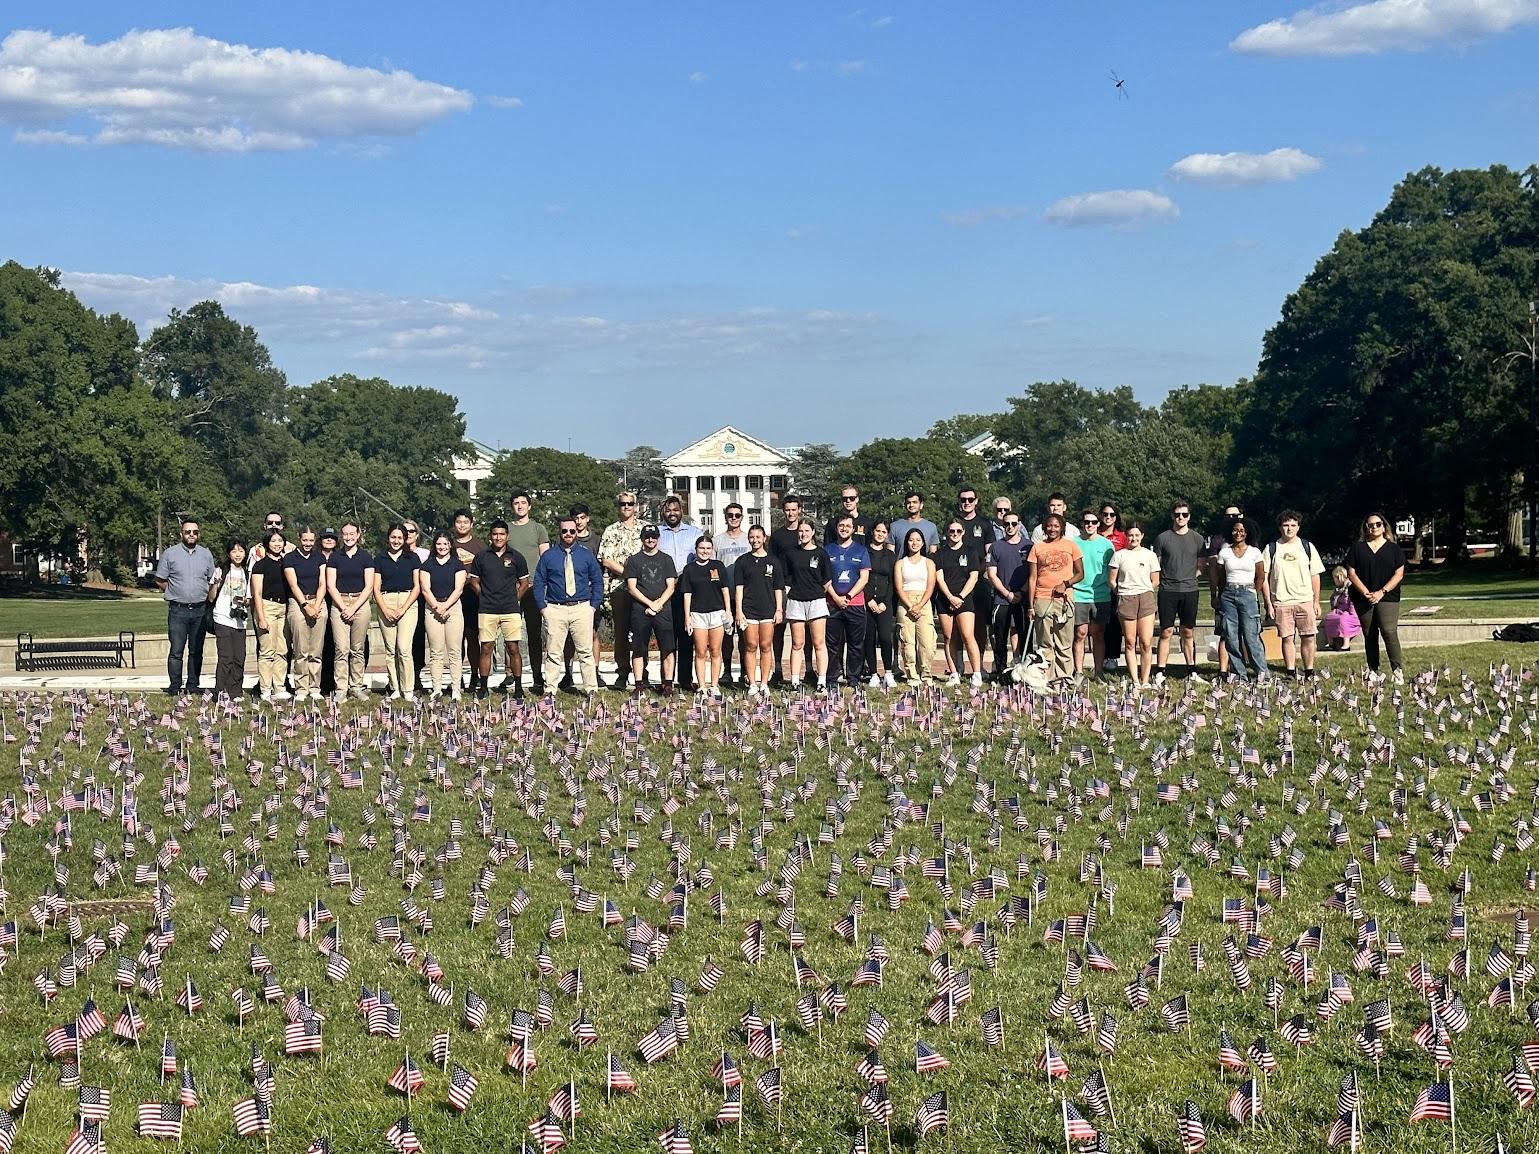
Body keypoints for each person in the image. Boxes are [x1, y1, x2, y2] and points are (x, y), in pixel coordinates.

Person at [533, 516, 605, 696]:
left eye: (572, 531)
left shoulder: (586, 555)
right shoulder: (549, 556)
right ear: (559, 532)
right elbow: (539, 581)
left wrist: (593, 605)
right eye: (564, 531)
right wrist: (543, 607)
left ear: (576, 532)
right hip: (555, 608)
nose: (568, 534)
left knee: (585, 652)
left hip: (582, 607)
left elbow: (597, 581)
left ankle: (591, 689)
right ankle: (550, 689)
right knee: (553, 652)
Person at [154, 517, 218, 696]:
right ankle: (174, 686)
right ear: (181, 533)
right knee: (176, 651)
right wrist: (175, 591)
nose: (191, 535)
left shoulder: (206, 554)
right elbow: (160, 579)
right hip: (178, 610)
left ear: (199, 534)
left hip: (200, 610)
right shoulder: (170, 554)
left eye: (195, 532)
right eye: (188, 532)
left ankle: (193, 684)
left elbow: (212, 580)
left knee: (196, 650)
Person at [468, 520, 531, 699]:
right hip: (487, 610)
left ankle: (518, 687)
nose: (498, 537)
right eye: (495, 534)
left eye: (502, 534)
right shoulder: (481, 557)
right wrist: (485, 596)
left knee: (513, 648)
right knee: (486, 648)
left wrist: (513, 599)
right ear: (490, 535)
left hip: (510, 610)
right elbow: (474, 581)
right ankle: (484, 687)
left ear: (507, 536)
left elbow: (524, 583)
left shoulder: (516, 557)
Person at [1346, 512, 1407, 683]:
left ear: (1384, 526)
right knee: (1369, 633)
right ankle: (1373, 670)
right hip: (1362, 597)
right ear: (1365, 527)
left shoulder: (1393, 548)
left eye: (1378, 524)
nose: (1374, 527)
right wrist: (1366, 592)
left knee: (1388, 631)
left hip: (1388, 596)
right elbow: (1351, 572)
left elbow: (1399, 574)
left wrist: (1382, 591)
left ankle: (1397, 670)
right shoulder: (1358, 547)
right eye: (1370, 525)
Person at [1265, 511, 1325, 680]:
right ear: (1279, 527)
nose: (1289, 529)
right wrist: (1269, 603)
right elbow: (1264, 577)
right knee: (1287, 638)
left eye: (1293, 525)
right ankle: (1290, 672)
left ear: (1298, 527)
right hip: (1282, 602)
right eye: (1285, 525)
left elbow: (1315, 575)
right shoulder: (1271, 548)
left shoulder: (1307, 547)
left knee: (1308, 637)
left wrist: (1316, 601)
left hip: (1304, 600)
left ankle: (1309, 671)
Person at [1209, 518, 1269, 682]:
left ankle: (1262, 674)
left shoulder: (1255, 552)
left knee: (1251, 636)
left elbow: (1261, 576)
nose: (1238, 533)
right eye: (1235, 530)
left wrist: (1253, 592)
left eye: (1242, 530)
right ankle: (1239, 675)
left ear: (1248, 533)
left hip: (1247, 593)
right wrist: (1215, 595)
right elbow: (1220, 576)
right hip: (1229, 594)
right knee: (1231, 636)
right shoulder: (1225, 552)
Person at [1153, 501, 1206, 684]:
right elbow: (1156, 566)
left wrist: (1189, 577)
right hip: (1168, 590)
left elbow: (1201, 566)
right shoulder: (1162, 538)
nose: (1180, 517)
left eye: (1184, 514)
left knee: (1188, 631)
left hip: (1190, 590)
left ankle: (1191, 670)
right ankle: (1160, 671)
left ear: (1189, 516)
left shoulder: (1198, 539)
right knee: (1166, 631)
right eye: (1177, 514)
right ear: (1172, 516)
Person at [1026, 513, 1083, 686]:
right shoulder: (1037, 548)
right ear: (1044, 528)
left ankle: (1065, 676)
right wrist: (1030, 605)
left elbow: (1080, 574)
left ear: (1062, 528)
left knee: (1064, 640)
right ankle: (1048, 678)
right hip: (1042, 598)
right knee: (1045, 642)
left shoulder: (1071, 546)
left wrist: (1066, 584)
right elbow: (1032, 577)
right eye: (1049, 526)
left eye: (1056, 526)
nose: (1052, 529)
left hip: (1064, 600)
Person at [624, 524, 679, 693]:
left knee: (668, 647)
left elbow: (671, 585)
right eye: (647, 537)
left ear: (658, 538)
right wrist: (650, 604)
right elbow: (632, 587)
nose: (650, 540)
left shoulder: (666, 559)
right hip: (640, 610)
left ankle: (668, 683)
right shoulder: (633, 560)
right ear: (642, 539)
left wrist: (658, 604)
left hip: (664, 609)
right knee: (639, 648)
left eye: (654, 536)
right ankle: (639, 684)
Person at [598, 492, 645, 689]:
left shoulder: (645, 529)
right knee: (621, 632)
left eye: (630, 504)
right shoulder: (611, 530)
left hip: (644, 589)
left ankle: (642, 673)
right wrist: (629, 574)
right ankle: (622, 673)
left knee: (642, 632)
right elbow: (606, 559)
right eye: (622, 504)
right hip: (620, 588)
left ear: (636, 506)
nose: (626, 507)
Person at [657, 495, 703, 691]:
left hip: (686, 588)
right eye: (668, 510)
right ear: (663, 513)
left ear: (681, 511)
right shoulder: (656, 533)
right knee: (667, 636)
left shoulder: (694, 533)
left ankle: (685, 679)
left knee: (686, 635)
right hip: (664, 589)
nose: (672, 513)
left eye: (675, 509)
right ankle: (667, 681)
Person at [507, 492, 552, 693]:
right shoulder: (506, 529)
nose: (520, 506)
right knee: (509, 633)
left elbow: (546, 558)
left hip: (534, 587)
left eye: (523, 503)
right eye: (516, 503)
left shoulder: (538, 529)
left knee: (534, 634)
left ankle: (536, 675)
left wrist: (543, 584)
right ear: (512, 507)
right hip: (510, 588)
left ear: (530, 506)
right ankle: (511, 674)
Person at [325, 522, 374, 700]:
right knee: (341, 648)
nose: (348, 537)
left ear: (358, 534)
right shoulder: (335, 557)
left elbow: (369, 586)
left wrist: (354, 607)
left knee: (357, 648)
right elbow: (330, 585)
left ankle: (356, 686)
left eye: (352, 533)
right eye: (345, 534)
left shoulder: (366, 557)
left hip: (360, 603)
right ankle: (341, 688)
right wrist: (344, 607)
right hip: (340, 604)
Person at [373, 523, 421, 701]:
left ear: (405, 539)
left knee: (404, 648)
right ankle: (394, 686)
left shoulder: (413, 558)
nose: (396, 541)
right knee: (390, 649)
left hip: (407, 602)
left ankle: (408, 688)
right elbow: (375, 587)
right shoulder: (379, 559)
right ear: (388, 538)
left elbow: (417, 587)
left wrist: (403, 608)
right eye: (393, 537)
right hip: (386, 601)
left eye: (400, 537)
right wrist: (384, 608)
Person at [1108, 523, 1160, 688]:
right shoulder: (1119, 555)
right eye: (1130, 535)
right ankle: (1135, 680)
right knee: (1130, 641)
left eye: (1137, 535)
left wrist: (1144, 590)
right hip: (1126, 598)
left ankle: (1145, 680)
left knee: (1146, 641)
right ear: (1126, 536)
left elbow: (1155, 580)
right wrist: (1122, 592)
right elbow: (1111, 580)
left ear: (1142, 536)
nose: (1134, 538)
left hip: (1145, 598)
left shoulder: (1150, 555)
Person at [824, 513, 872, 689]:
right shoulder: (827, 550)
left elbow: (864, 578)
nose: (844, 529)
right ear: (836, 528)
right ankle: (832, 677)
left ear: (853, 529)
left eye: (848, 526)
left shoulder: (861, 550)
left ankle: (853, 678)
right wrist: (836, 598)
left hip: (856, 604)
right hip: (832, 604)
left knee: (855, 644)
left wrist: (849, 596)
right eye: (841, 526)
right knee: (833, 644)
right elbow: (824, 578)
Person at [734, 524, 782, 696]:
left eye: (758, 537)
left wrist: (779, 609)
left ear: (764, 538)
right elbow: (739, 588)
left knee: (766, 645)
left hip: (768, 610)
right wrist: (739, 611)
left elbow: (778, 587)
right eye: (752, 537)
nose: (755, 540)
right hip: (749, 610)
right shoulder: (742, 561)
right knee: (751, 645)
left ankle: (764, 683)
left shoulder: (773, 561)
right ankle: (752, 683)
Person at [681, 536, 732, 698]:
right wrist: (687, 616)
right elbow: (687, 594)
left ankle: (714, 685)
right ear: (696, 550)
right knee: (701, 651)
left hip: (717, 613)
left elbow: (725, 589)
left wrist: (728, 611)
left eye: (708, 548)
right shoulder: (689, 569)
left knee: (716, 651)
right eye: (702, 548)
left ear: (712, 550)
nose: (705, 551)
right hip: (697, 614)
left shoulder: (718, 566)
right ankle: (702, 686)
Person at [768, 495, 812, 687]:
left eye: (794, 509)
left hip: (804, 587)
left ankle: (809, 668)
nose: (791, 513)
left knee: (806, 632)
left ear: (799, 510)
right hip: (783, 587)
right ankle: (777, 669)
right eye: (787, 510)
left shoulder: (805, 532)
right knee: (779, 630)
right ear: (783, 511)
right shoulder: (778, 536)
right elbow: (771, 564)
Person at [784, 520, 833, 689]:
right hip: (796, 601)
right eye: (800, 531)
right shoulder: (791, 553)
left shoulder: (822, 553)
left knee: (819, 643)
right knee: (797, 643)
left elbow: (827, 580)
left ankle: (821, 681)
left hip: (816, 601)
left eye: (806, 530)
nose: (803, 534)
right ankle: (795, 681)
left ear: (813, 532)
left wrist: (818, 593)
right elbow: (786, 576)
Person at [934, 520, 983, 688]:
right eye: (951, 531)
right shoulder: (940, 554)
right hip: (945, 598)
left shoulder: (971, 551)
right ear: (947, 532)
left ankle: (976, 673)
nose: (954, 534)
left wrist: (960, 596)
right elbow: (939, 577)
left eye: (958, 531)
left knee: (967, 635)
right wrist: (949, 597)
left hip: (965, 598)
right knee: (949, 637)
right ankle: (954, 673)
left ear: (963, 532)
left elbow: (974, 576)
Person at [419, 532, 468, 698]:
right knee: (436, 651)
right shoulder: (427, 565)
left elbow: (459, 589)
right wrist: (436, 606)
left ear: (450, 546)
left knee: (454, 650)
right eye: (439, 544)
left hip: (453, 608)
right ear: (434, 545)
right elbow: (425, 589)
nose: (442, 547)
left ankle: (455, 688)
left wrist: (446, 606)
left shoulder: (457, 564)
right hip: (432, 608)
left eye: (445, 544)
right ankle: (437, 688)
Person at [282, 527, 327, 700]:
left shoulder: (319, 557)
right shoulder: (290, 558)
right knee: (301, 649)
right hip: (298, 602)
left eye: (311, 540)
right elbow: (293, 585)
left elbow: (323, 582)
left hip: (318, 600)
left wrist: (316, 605)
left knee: (316, 649)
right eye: (304, 540)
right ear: (299, 539)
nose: (308, 544)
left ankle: (315, 687)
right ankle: (301, 688)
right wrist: (306, 605)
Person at [985, 512, 1030, 682]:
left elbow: (1033, 574)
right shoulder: (996, 547)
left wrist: (1021, 592)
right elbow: (992, 574)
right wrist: (1007, 594)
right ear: (1002, 526)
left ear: (1019, 525)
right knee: (1000, 637)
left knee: (1025, 637)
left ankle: (1025, 673)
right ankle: (1001, 673)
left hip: (1023, 599)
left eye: (1013, 523)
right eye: (1006, 524)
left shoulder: (1029, 546)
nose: (1010, 527)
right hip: (1001, 600)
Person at [712, 503, 753, 687]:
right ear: (725, 516)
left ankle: (746, 671)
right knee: (727, 635)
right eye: (730, 515)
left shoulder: (749, 539)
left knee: (746, 636)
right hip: (724, 595)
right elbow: (712, 568)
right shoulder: (717, 540)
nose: (734, 518)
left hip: (746, 595)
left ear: (742, 517)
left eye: (737, 515)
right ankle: (727, 671)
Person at [560, 503, 600, 690]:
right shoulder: (564, 539)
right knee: (568, 638)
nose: (579, 521)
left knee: (592, 635)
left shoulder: (595, 541)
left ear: (588, 518)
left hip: (588, 596)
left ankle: (595, 672)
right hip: (567, 598)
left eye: (582, 517)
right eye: (575, 518)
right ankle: (568, 673)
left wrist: (595, 600)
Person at [250, 529, 291, 701]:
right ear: (267, 543)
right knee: (267, 651)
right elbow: (256, 593)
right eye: (273, 541)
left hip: (284, 608)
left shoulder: (287, 563)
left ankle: (279, 687)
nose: (277, 544)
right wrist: (261, 617)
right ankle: (265, 689)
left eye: (280, 541)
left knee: (282, 650)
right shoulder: (260, 565)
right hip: (266, 607)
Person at [1073, 510, 1115, 679]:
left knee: (1098, 634)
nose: (1090, 525)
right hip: (1078, 594)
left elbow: (1113, 570)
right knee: (1080, 634)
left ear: (1099, 524)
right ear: (1081, 524)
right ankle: (1078, 672)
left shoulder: (1106, 545)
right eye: (1086, 522)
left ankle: (1098, 672)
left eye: (1093, 522)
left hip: (1101, 596)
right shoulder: (1073, 543)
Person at [450, 510, 487, 694]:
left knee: (473, 638)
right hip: (451, 598)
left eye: (466, 522)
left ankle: (475, 675)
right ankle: (457, 678)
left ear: (471, 524)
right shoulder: (448, 544)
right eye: (459, 522)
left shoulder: (480, 546)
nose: (462, 525)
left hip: (472, 596)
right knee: (455, 640)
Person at [895, 528, 938, 684]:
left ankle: (926, 673)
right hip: (905, 601)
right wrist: (910, 606)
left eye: (918, 540)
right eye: (911, 540)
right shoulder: (900, 563)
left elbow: (931, 587)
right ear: (907, 542)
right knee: (907, 641)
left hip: (924, 602)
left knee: (927, 641)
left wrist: (919, 605)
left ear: (923, 542)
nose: (914, 543)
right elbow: (899, 587)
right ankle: (912, 675)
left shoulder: (929, 563)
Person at [209, 539, 251, 701]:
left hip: (240, 620)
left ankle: (235, 691)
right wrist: (216, 584)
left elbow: (250, 598)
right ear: (228, 554)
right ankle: (220, 692)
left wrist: (246, 601)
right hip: (222, 617)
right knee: (226, 657)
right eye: (234, 551)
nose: (238, 554)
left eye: (241, 551)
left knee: (239, 657)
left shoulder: (247, 573)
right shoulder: (221, 571)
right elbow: (211, 598)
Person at [956, 487, 998, 640]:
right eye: (963, 500)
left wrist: (980, 573)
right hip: (957, 579)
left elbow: (990, 553)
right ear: (959, 502)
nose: (967, 503)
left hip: (979, 579)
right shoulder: (954, 524)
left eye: (970, 500)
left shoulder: (985, 524)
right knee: (956, 625)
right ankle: (957, 664)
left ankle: (978, 663)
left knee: (980, 622)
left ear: (976, 501)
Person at [863, 521, 898, 688]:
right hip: (867, 602)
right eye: (878, 530)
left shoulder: (890, 556)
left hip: (885, 603)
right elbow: (861, 579)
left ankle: (889, 672)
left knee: (885, 638)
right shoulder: (864, 552)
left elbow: (893, 582)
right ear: (872, 532)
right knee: (869, 638)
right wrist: (868, 599)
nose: (880, 534)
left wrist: (885, 602)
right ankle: (873, 674)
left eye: (884, 532)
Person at [403, 520, 429, 695]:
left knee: (418, 638)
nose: (408, 534)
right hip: (401, 599)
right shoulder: (395, 553)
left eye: (411, 531)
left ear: (417, 534)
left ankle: (417, 675)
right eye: (405, 531)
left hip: (421, 599)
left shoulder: (425, 554)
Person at [1321, 566, 1363, 651]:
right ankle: (1331, 643)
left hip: (1352, 612)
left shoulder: (1350, 588)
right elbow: (1333, 601)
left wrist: (1350, 612)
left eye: (1334, 578)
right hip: (1340, 610)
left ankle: (1346, 644)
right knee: (1329, 617)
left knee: (1344, 619)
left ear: (1339, 577)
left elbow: (1353, 602)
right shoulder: (1338, 590)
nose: (1334, 581)